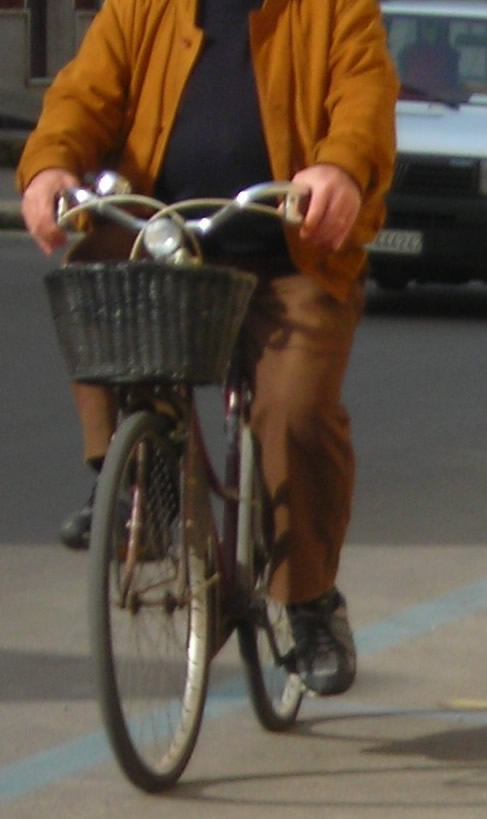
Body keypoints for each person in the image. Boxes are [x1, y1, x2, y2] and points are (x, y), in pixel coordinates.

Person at [17, 0, 398, 697]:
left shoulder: (336, 8)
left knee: (293, 412)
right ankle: (137, 479)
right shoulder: (142, 7)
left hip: (292, 257)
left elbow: (363, 100)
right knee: (95, 283)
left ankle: (308, 601)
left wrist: (339, 169)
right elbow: (83, 94)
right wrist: (49, 168)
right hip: (164, 240)